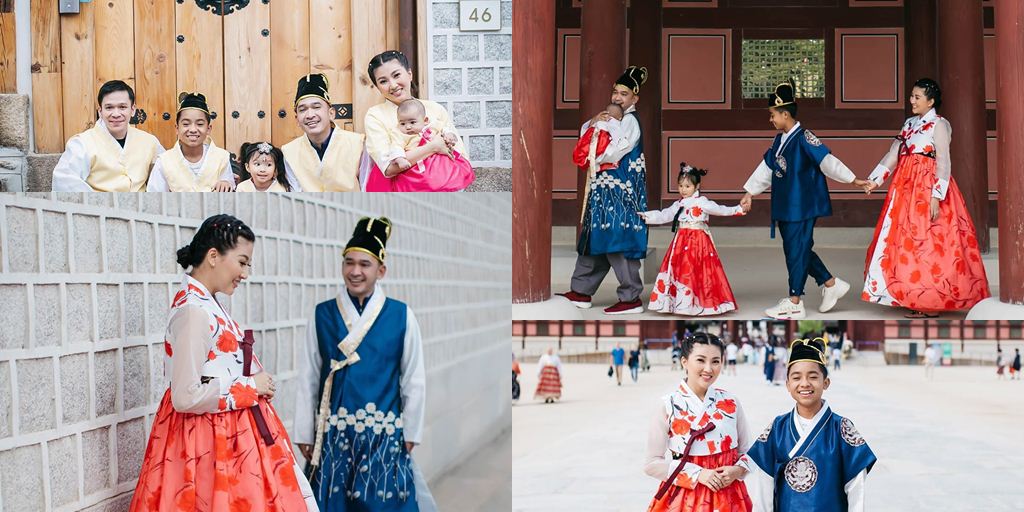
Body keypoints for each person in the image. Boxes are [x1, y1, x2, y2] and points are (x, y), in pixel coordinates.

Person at [130, 215, 316, 511]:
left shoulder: (206, 303)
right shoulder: (193, 311)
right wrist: (249, 386)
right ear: (214, 256)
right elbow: (184, 395)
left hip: (226, 440)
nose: (245, 273)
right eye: (242, 262)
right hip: (205, 443)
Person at [293, 216, 436, 511]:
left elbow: (414, 379)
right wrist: (305, 432)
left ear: (381, 270)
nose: (355, 271)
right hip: (334, 434)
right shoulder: (323, 315)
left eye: (364, 264)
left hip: (383, 435)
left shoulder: (401, 315)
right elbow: (308, 376)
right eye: (349, 262)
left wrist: (410, 433)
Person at [739, 80, 874, 319]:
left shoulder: (804, 137)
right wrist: (750, 192)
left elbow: (827, 161)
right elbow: (766, 168)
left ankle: (795, 300)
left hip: (802, 205)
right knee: (798, 249)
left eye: (773, 115)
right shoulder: (779, 140)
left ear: (785, 114)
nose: (771, 119)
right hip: (786, 205)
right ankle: (831, 284)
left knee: (796, 250)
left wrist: (853, 180)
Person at [861, 78, 991, 318]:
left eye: (917, 97)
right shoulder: (909, 124)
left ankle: (932, 300)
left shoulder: (939, 125)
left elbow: (943, 162)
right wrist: (875, 180)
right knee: (906, 241)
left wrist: (936, 197)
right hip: (905, 187)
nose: (912, 101)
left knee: (930, 242)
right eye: (912, 96)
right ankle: (913, 294)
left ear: (931, 101)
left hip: (927, 186)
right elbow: (893, 154)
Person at [556, 66, 650, 315]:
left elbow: (614, 150)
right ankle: (581, 291)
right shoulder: (609, 117)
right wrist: (595, 122)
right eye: (616, 92)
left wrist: (599, 145)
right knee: (594, 238)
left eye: (624, 94)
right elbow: (588, 136)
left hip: (621, 193)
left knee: (619, 239)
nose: (618, 97)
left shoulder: (629, 122)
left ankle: (630, 298)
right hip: (603, 191)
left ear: (634, 99)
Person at [746, 338, 877, 511]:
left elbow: (855, 486)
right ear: (787, 384)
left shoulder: (842, 427)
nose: (805, 383)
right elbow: (764, 485)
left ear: (826, 382)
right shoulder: (777, 427)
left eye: (813, 376)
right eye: (796, 377)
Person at [643, 333, 755, 512]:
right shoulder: (668, 405)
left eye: (716, 361)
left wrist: (737, 471)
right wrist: (697, 474)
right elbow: (651, 463)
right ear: (685, 362)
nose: (709, 369)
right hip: (684, 497)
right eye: (701, 360)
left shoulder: (731, 402)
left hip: (728, 494)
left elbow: (748, 451)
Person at [640, 164, 746, 316]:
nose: (683, 189)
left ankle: (701, 304)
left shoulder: (702, 202)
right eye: (681, 186)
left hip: (698, 241)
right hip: (681, 239)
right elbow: (666, 215)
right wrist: (647, 216)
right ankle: (682, 304)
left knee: (698, 271)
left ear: (697, 186)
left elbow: (721, 209)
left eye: (687, 186)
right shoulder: (679, 204)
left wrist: (738, 209)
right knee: (681, 270)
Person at [362, 51, 470, 191]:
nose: (393, 85)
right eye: (383, 81)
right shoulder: (375, 115)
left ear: (409, 74)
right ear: (377, 87)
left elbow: (458, 155)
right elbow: (388, 168)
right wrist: (434, 147)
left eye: (396, 75)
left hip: (443, 187)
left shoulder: (435, 109)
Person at [52, 80, 164, 191]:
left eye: (122, 107)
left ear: (132, 110)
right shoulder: (82, 143)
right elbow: (64, 180)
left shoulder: (149, 141)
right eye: (109, 107)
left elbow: (167, 171)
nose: (116, 114)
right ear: (100, 111)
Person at [366, 98, 473, 192]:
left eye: (412, 122)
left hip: (438, 162)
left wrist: (449, 135)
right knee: (423, 182)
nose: (407, 127)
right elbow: (396, 147)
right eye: (402, 123)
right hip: (418, 164)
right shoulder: (400, 134)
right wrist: (400, 159)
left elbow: (443, 128)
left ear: (425, 120)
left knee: (450, 173)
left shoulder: (432, 125)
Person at [282, 73, 365, 191]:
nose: (310, 115)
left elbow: (367, 188)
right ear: (297, 119)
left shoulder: (358, 144)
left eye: (316, 107)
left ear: (331, 113)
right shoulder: (289, 152)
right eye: (303, 109)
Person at [146, 92, 234, 192]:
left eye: (200, 124)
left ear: (208, 128)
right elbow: (155, 198)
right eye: (186, 124)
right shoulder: (164, 161)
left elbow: (229, 197)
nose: (193, 129)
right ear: (177, 128)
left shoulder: (221, 157)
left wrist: (226, 183)